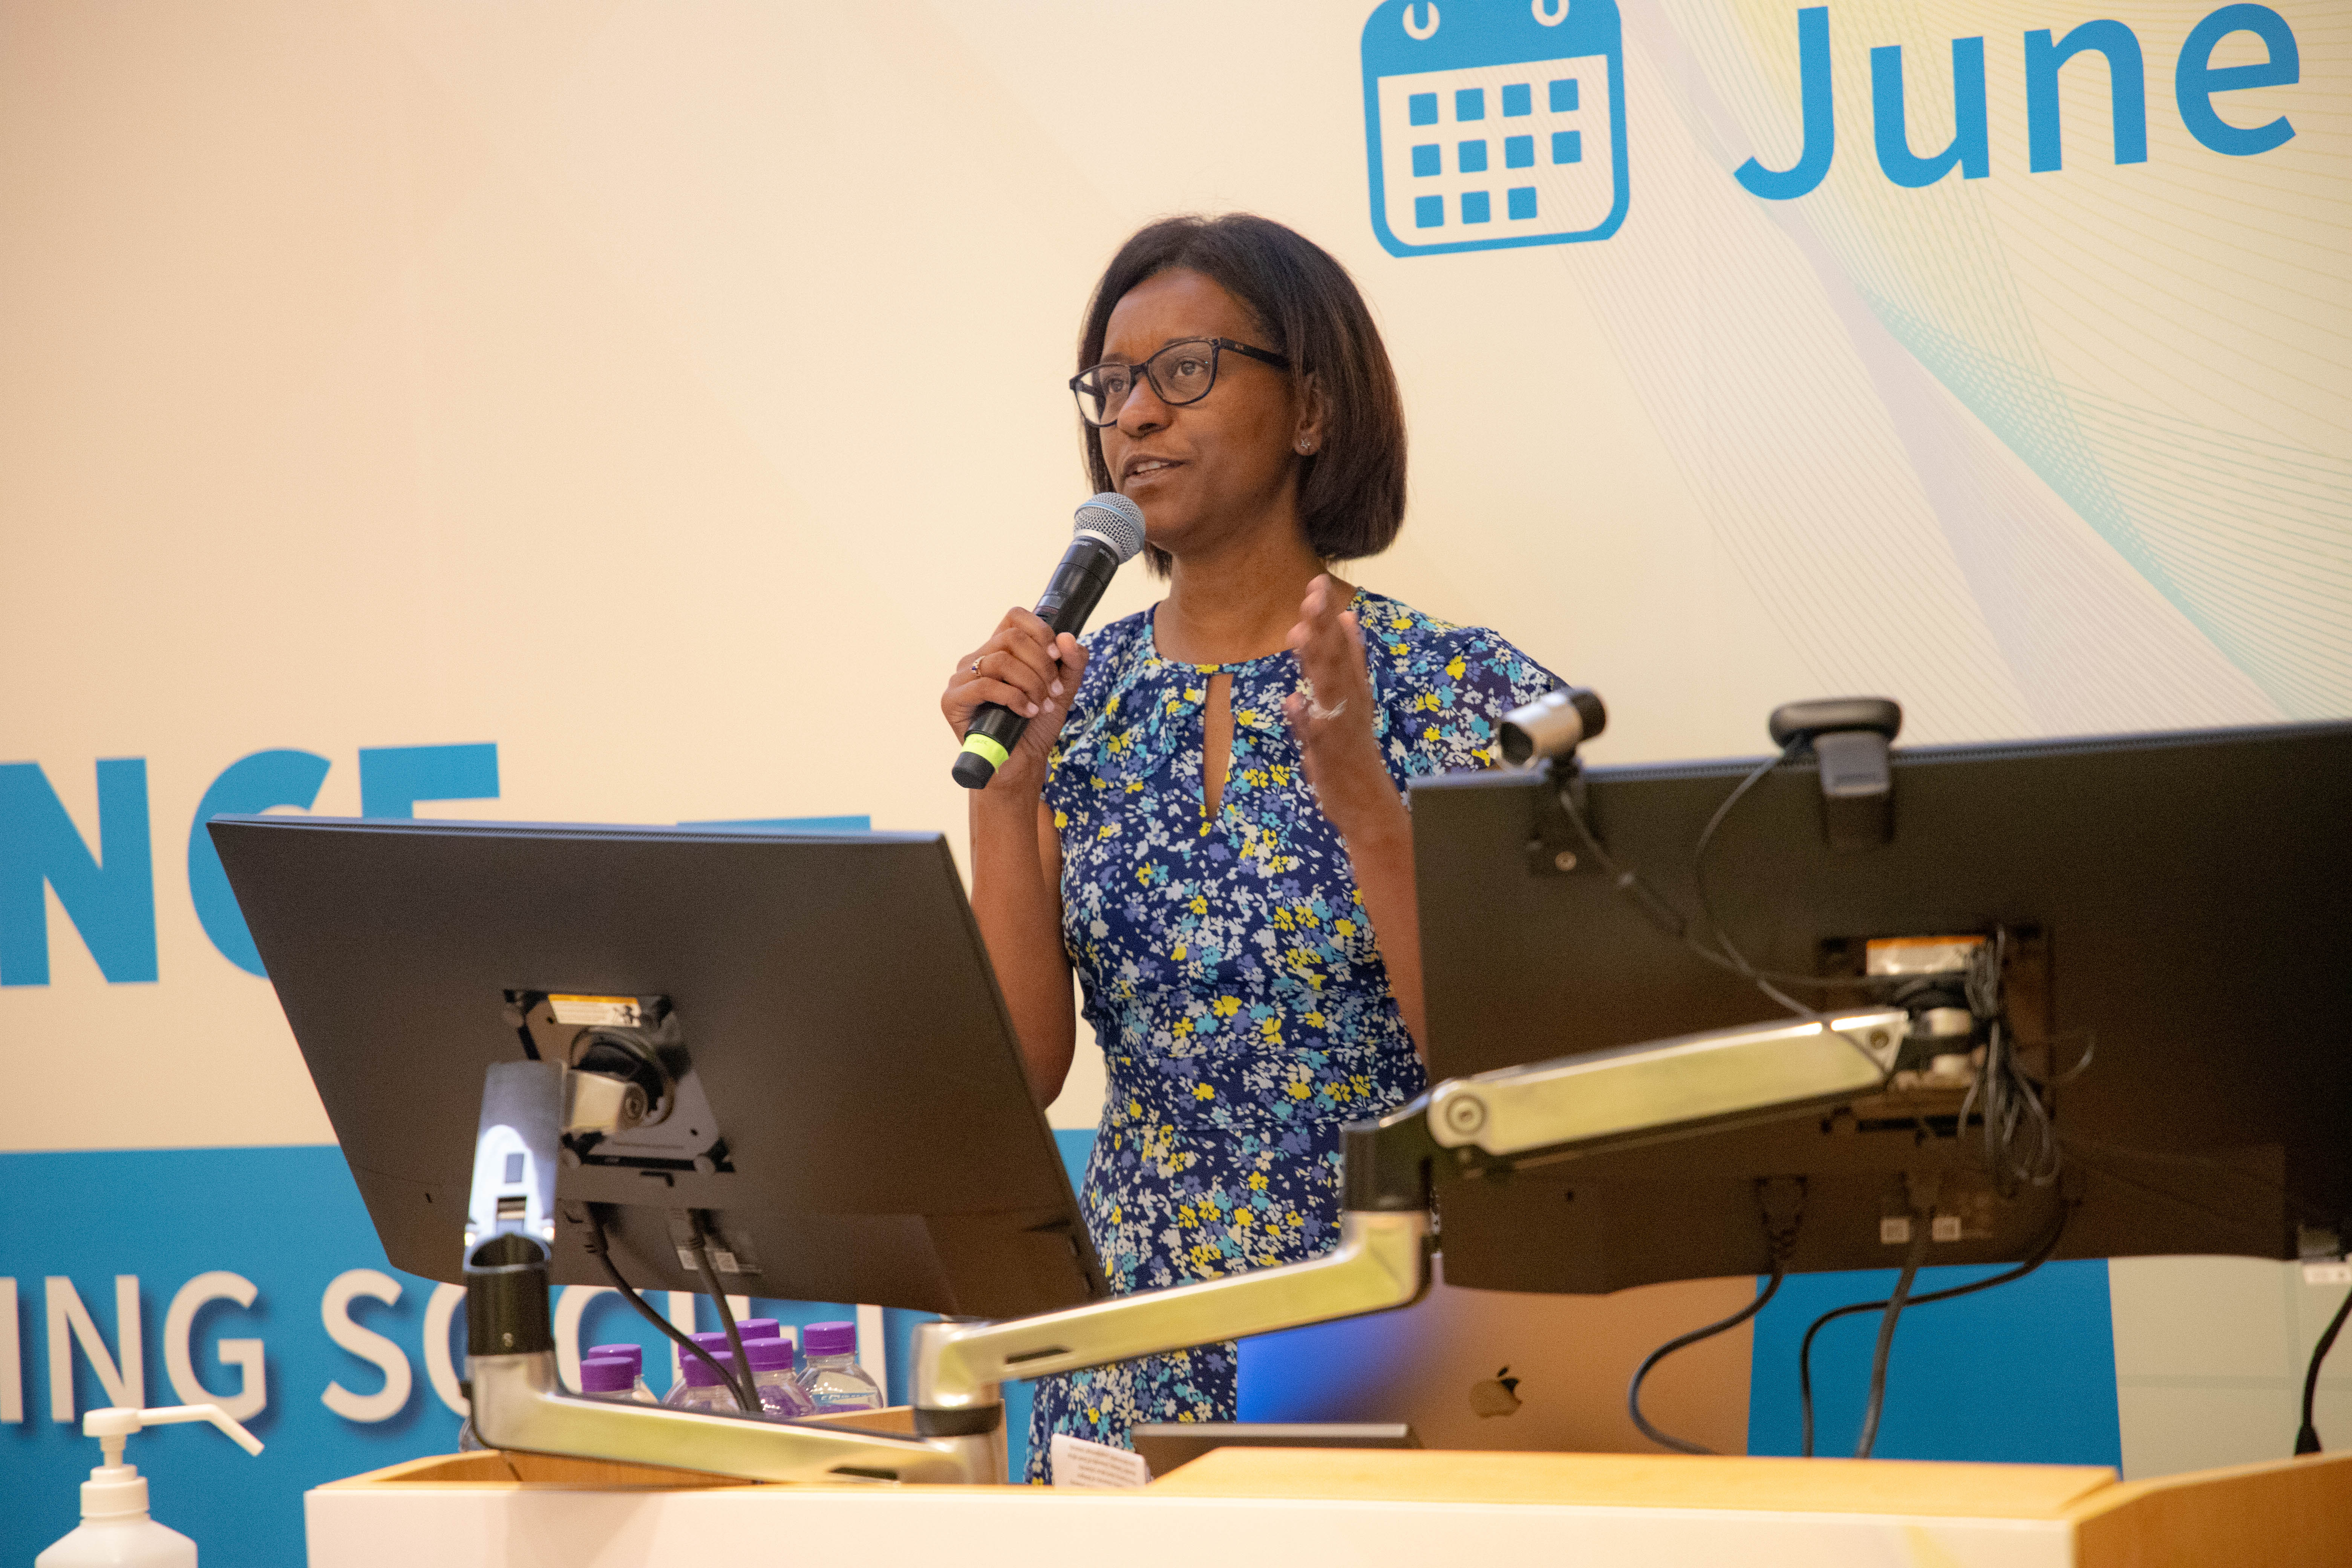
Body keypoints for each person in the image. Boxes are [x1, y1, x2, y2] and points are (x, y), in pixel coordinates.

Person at [940, 213, 1560, 1481]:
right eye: (1114, 384)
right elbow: (1020, 1082)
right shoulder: (1077, 697)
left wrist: (1368, 805)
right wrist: (1007, 796)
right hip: (1130, 1343)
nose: (1136, 415)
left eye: (1185, 371)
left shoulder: (1467, 695)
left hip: (1392, 1336)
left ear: (1312, 409)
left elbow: (1517, 1070)